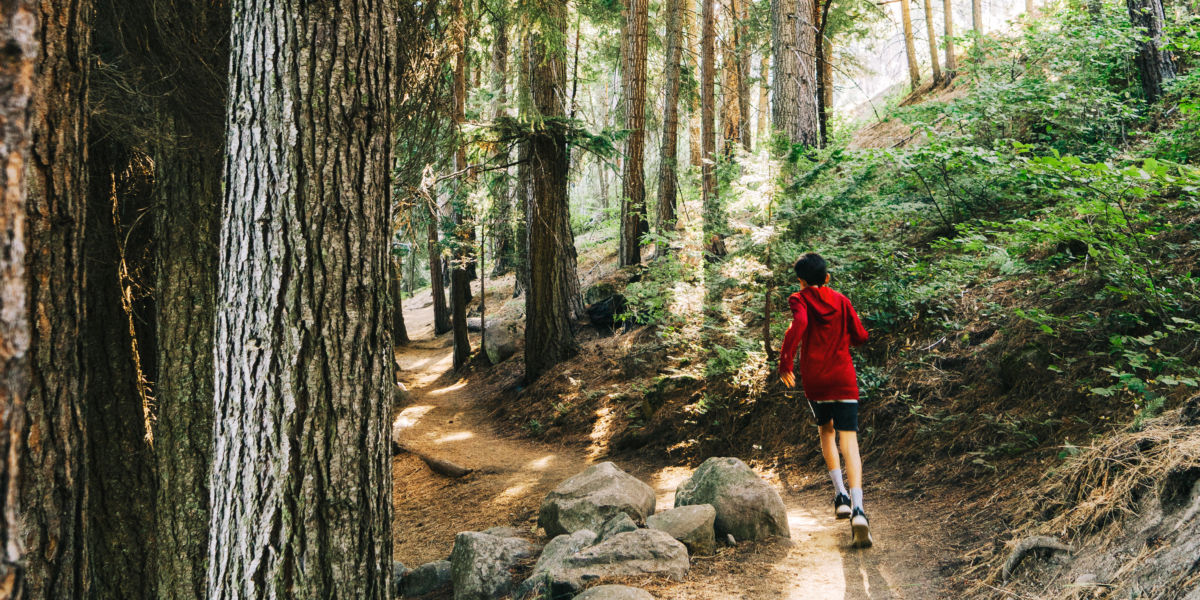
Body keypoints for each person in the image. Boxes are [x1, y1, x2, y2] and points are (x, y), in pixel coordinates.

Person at [778, 253, 873, 547]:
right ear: (828, 278)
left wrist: (786, 361)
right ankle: (858, 509)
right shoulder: (842, 301)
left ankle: (840, 495)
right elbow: (860, 336)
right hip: (843, 378)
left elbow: (800, 324)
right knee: (850, 440)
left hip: (817, 380)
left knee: (826, 431)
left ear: (801, 281)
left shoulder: (800, 298)